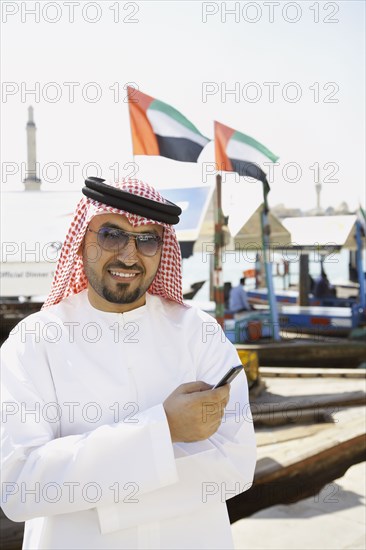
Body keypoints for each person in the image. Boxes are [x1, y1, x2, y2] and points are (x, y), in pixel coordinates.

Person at [1, 177, 256, 550]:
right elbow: (20, 485)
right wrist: (164, 429)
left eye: (147, 239)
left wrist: (93, 495)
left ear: (162, 248)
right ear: (81, 241)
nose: (128, 255)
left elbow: (235, 465)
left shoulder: (199, 333)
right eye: (111, 234)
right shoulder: (33, 341)